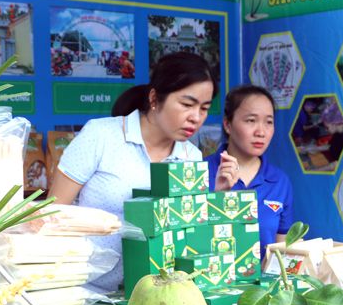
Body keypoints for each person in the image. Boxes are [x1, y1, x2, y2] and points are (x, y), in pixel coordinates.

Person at [50, 51, 216, 292]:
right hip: (84, 290)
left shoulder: (192, 157)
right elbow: (52, 213)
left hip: (154, 296)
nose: (196, 117)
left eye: (204, 108)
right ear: (155, 98)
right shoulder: (101, 136)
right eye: (187, 104)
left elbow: (188, 229)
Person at [206, 84, 293, 249]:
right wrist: (218, 197)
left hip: (266, 275)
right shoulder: (199, 173)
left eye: (269, 122)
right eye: (251, 120)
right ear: (227, 125)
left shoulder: (280, 181)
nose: (261, 132)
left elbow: (283, 248)